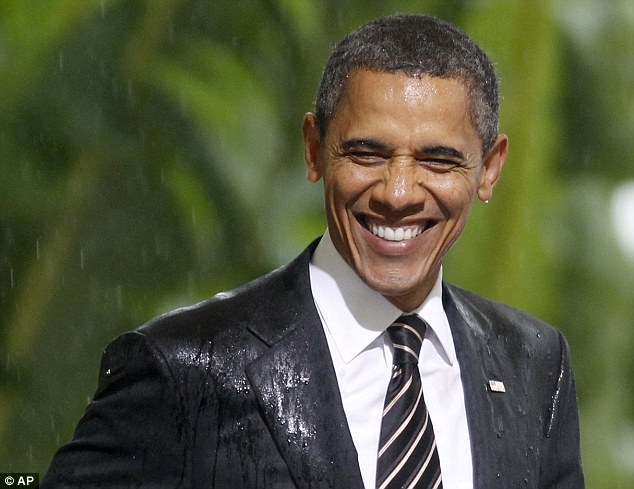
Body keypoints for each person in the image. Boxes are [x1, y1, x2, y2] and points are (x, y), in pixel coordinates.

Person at [41, 14, 585, 489]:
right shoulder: (185, 369)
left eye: (437, 161)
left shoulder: (536, 365)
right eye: (367, 154)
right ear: (314, 148)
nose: (398, 193)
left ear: (489, 169)